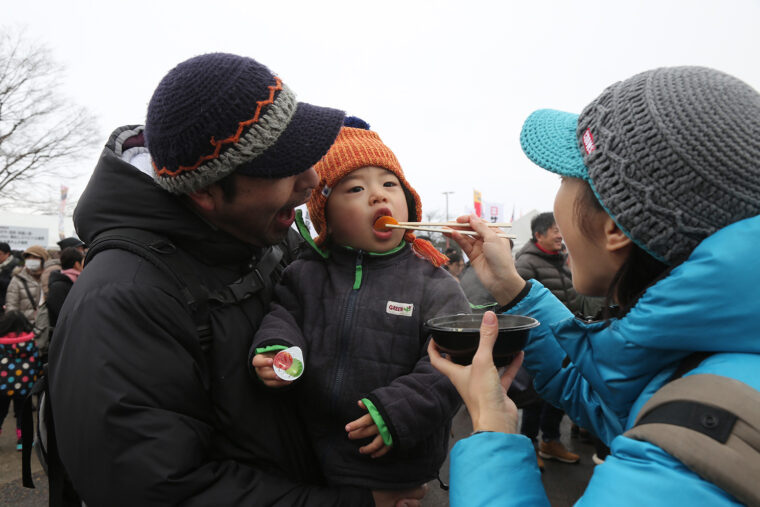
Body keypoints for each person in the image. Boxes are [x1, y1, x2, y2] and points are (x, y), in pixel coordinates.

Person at [49, 53, 424, 506]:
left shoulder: (263, 240)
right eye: (283, 167)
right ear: (206, 191)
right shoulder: (122, 299)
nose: (310, 180)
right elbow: (156, 489)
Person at [429, 66, 760, 505]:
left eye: (566, 180)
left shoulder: (687, 458)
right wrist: (512, 287)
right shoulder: (711, 357)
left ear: (615, 229)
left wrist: (491, 428)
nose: (557, 208)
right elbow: (609, 399)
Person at [251, 117, 468, 489]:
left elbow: (455, 360)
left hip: (396, 463)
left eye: (389, 184)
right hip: (313, 458)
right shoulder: (305, 274)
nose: (379, 196)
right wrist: (278, 349)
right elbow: (282, 315)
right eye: (354, 189)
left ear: (409, 203)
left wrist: (400, 410)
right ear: (327, 218)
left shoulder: (434, 283)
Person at [515, 211, 604, 467]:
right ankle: (529, 445)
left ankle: (550, 441)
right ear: (538, 234)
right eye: (554, 230)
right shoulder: (526, 264)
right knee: (534, 398)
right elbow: (521, 304)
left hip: (566, 339)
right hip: (539, 341)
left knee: (560, 397)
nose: (559, 235)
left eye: (559, 230)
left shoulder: (562, 260)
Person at [0, 310, 36, 451]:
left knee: (1, 411)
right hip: (24, 385)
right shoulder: (29, 341)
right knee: (22, 412)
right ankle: (23, 440)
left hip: (2, 386)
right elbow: (37, 362)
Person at [4, 245, 48, 324]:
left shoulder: (49, 279)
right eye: (28, 257)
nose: (31, 260)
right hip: (25, 329)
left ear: (43, 260)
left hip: (45, 328)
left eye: (35, 257)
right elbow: (11, 306)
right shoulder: (17, 279)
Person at [46, 247, 84, 327]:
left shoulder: (78, 281)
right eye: (83, 262)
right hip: (61, 333)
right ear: (77, 264)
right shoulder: (58, 286)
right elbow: (61, 314)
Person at [0, 242, 22, 313]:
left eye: (0, 254)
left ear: (8, 254)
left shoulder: (16, 266)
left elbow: (13, 284)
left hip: (7, 303)